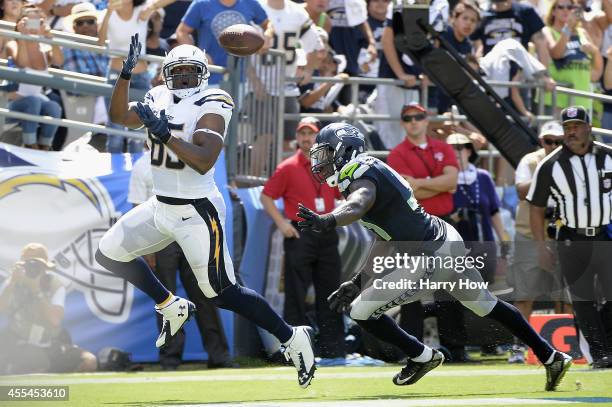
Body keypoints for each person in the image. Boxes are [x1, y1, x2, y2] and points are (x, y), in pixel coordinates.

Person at [95, 35, 316, 387]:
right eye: (177, 73)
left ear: (202, 75)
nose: (182, 79)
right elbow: (120, 116)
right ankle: (170, 304)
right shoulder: (157, 95)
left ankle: (291, 336)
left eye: (189, 73)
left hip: (198, 211)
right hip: (161, 204)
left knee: (222, 292)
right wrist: (123, 77)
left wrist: (165, 134)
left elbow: (203, 159)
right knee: (108, 254)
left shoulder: (215, 99)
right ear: (166, 74)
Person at [297, 122, 572, 390]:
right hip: (443, 240)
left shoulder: (361, 171)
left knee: (361, 311)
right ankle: (552, 356)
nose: (322, 161)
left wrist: (328, 220)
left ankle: (422, 356)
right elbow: (384, 237)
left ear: (345, 149)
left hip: (429, 255)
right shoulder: (368, 171)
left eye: (327, 152)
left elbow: (360, 202)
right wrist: (358, 281)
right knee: (484, 304)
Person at [128, 154, 234, 370]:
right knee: (166, 300)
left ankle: (219, 356)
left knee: (206, 294)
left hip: (190, 232)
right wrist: (146, 246)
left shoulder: (185, 155)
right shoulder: (142, 165)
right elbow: (137, 208)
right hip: (160, 238)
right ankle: (169, 359)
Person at [527, 105, 612, 369]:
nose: (571, 132)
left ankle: (608, 348)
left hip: (605, 234)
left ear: (589, 127)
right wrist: (541, 246)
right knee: (583, 299)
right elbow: (536, 207)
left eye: (576, 126)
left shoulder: (609, 157)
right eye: (567, 128)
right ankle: (599, 355)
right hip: (571, 238)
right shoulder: (550, 165)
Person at [387, 102, 472, 363]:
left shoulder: (443, 147)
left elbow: (452, 182)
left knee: (450, 286)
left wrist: (422, 184)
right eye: (408, 118)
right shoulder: (397, 154)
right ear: (403, 123)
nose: (414, 121)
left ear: (426, 120)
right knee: (410, 288)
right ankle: (412, 351)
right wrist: (438, 185)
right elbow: (408, 192)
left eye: (419, 117)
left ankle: (456, 349)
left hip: (443, 222)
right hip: (414, 225)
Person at [261, 117, 346, 360]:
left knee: (331, 293)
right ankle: (296, 352)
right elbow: (266, 196)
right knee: (295, 295)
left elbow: (343, 194)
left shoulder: (330, 166)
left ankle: (334, 350)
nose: (306, 139)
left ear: (319, 138)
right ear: (297, 138)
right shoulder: (287, 167)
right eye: (302, 134)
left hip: (327, 232)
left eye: (311, 134)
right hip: (300, 233)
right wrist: (282, 224)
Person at [507, 120, 567, 364]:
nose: (553, 146)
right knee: (524, 296)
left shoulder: (574, 162)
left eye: (558, 142)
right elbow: (522, 190)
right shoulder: (530, 161)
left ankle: (566, 345)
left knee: (565, 298)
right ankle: (518, 348)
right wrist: (549, 172)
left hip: (564, 234)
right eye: (548, 141)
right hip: (529, 236)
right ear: (541, 141)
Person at [0, 243, 98, 374]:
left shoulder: (55, 285)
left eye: (37, 265)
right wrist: (12, 282)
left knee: (89, 361)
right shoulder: (12, 283)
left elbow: (54, 320)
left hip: (49, 344)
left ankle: (70, 390)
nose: (33, 269)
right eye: (29, 265)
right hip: (18, 343)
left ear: (45, 267)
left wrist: (37, 290)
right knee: (37, 363)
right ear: (22, 266)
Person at [447, 133, 508, 286]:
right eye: (451, 149)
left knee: (486, 296)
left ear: (468, 151)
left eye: (460, 148)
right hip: (456, 249)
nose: (456, 152)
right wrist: (456, 216)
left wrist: (504, 240)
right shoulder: (444, 180)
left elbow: (494, 212)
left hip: (484, 243)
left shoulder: (483, 177)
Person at [174, 0, 273, 87]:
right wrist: (197, 53)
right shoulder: (201, 3)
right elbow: (182, 31)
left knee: (236, 108)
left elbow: (268, 24)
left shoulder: (250, 3)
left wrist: (267, 37)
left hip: (239, 78)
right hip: (209, 77)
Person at [5, 5, 63, 150]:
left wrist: (50, 37)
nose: (33, 26)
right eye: (29, 21)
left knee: (54, 107)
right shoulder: (13, 43)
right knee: (34, 102)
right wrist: (23, 36)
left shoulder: (44, 46)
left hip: (35, 101)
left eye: (38, 22)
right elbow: (22, 63)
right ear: (20, 23)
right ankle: (31, 145)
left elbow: (59, 61)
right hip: (11, 102)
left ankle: (45, 146)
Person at [543, 0, 603, 113]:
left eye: (570, 7)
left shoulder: (582, 33)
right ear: (553, 11)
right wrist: (568, 28)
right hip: (557, 100)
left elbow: (596, 75)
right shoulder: (547, 31)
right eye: (561, 7)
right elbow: (556, 54)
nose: (566, 10)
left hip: (581, 101)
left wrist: (594, 51)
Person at [471, 0, 548, 62]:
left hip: (520, 69)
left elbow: (540, 43)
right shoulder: (482, 15)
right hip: (491, 71)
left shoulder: (526, 12)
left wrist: (543, 74)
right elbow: (477, 48)